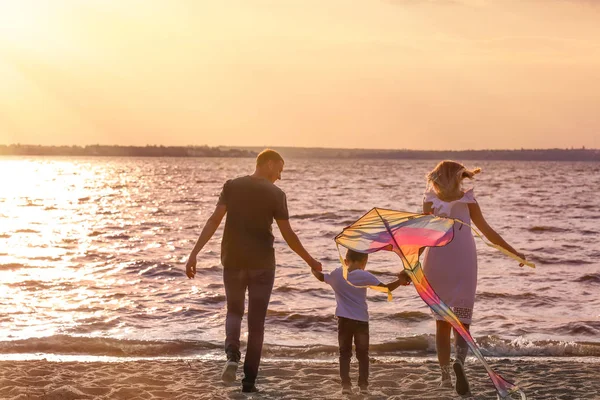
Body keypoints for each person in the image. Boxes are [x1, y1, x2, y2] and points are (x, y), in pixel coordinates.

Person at [185, 149, 322, 393]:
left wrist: (194, 253)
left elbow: (214, 220)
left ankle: (231, 357)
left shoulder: (232, 186)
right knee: (257, 324)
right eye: (279, 169)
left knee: (234, 312)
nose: (280, 176)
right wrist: (311, 261)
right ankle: (249, 382)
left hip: (234, 260)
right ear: (268, 164)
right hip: (262, 266)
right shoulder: (277, 194)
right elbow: (288, 235)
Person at [421, 160, 526, 396]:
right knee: (463, 320)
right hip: (463, 260)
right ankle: (459, 360)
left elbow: (422, 236)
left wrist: (409, 265)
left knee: (441, 323)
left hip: (436, 259)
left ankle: (445, 376)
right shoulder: (468, 200)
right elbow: (489, 233)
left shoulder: (430, 201)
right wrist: (514, 252)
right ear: (459, 177)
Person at [311, 249, 410, 395]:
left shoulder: (337, 273)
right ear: (364, 262)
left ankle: (346, 386)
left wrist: (313, 268)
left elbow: (321, 277)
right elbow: (386, 289)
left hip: (343, 321)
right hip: (361, 321)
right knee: (362, 355)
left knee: (344, 354)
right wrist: (400, 282)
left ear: (346, 261)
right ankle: (363, 386)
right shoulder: (365, 275)